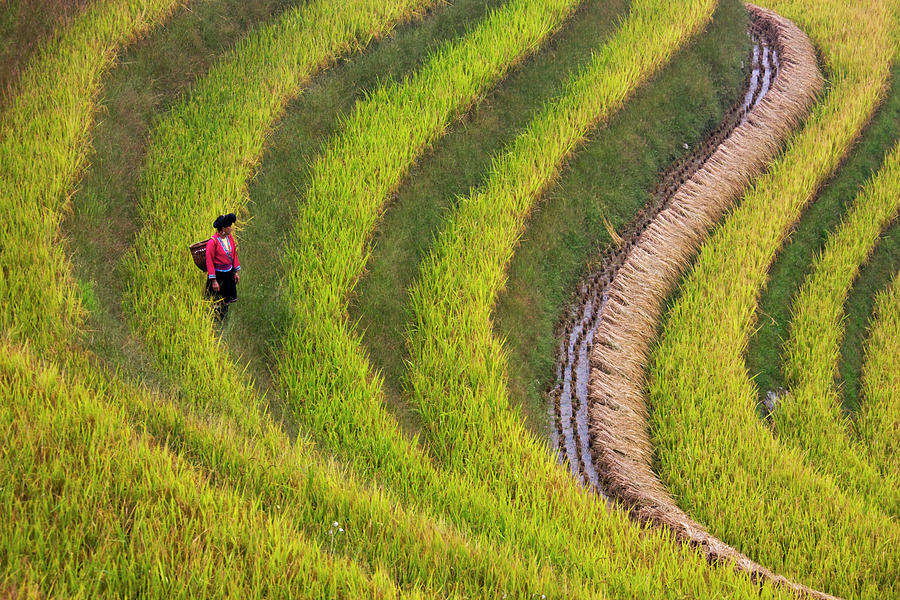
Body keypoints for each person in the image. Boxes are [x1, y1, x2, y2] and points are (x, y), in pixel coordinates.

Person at [205, 213, 241, 320]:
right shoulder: (213, 242)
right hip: (218, 275)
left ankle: (222, 320)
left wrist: (235, 272)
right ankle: (213, 321)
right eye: (229, 226)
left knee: (226, 301)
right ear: (223, 229)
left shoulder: (229, 239)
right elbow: (209, 261)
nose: (231, 228)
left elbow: (234, 255)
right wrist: (214, 281)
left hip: (228, 275)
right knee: (216, 301)